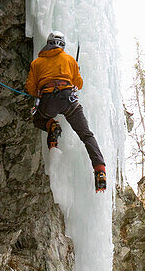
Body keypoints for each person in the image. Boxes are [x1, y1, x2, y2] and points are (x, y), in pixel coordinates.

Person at [26, 30, 108, 193]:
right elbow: (79, 83)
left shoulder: (37, 63)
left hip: (48, 99)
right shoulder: (70, 60)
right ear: (62, 44)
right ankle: (99, 170)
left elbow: (30, 88)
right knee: (86, 135)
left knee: (38, 119)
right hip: (69, 99)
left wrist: (40, 91)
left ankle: (52, 126)